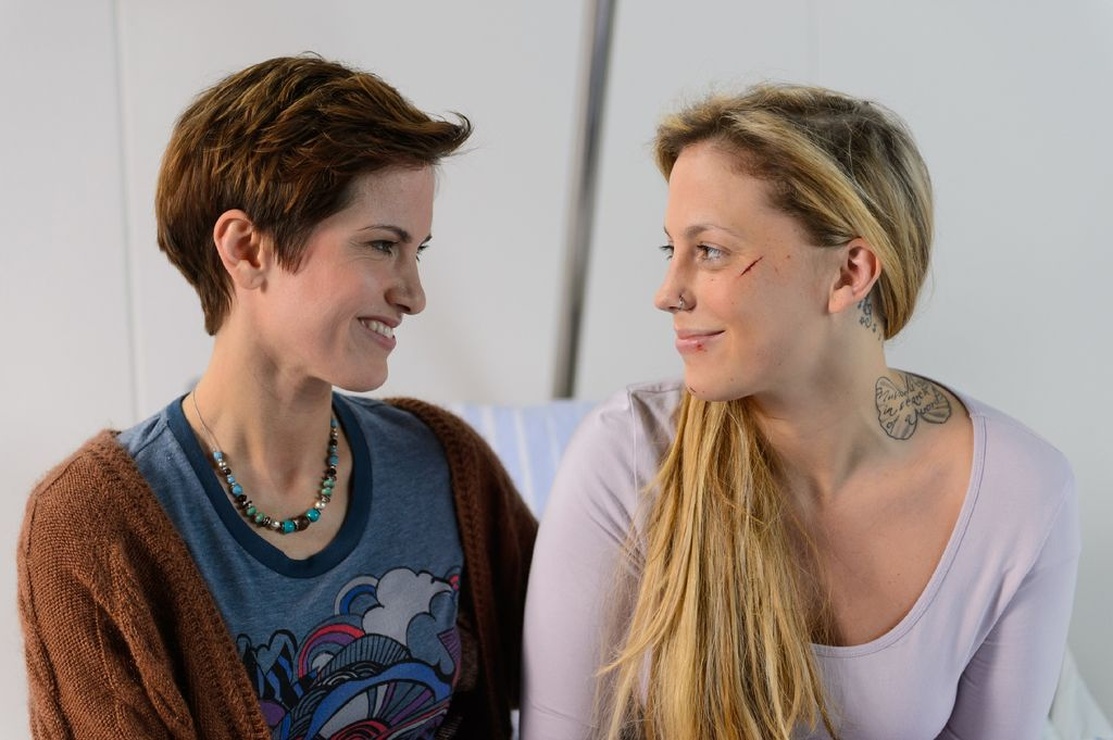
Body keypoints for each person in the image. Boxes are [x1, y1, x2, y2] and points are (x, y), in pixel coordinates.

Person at [520, 84, 1079, 740]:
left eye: (710, 250)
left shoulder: (1018, 494)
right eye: (672, 250)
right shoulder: (630, 454)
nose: (667, 292)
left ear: (848, 274)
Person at [18, 54, 536, 739]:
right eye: (382, 246)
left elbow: (604, 670)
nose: (413, 295)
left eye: (418, 251)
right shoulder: (91, 526)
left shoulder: (444, 465)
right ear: (246, 248)